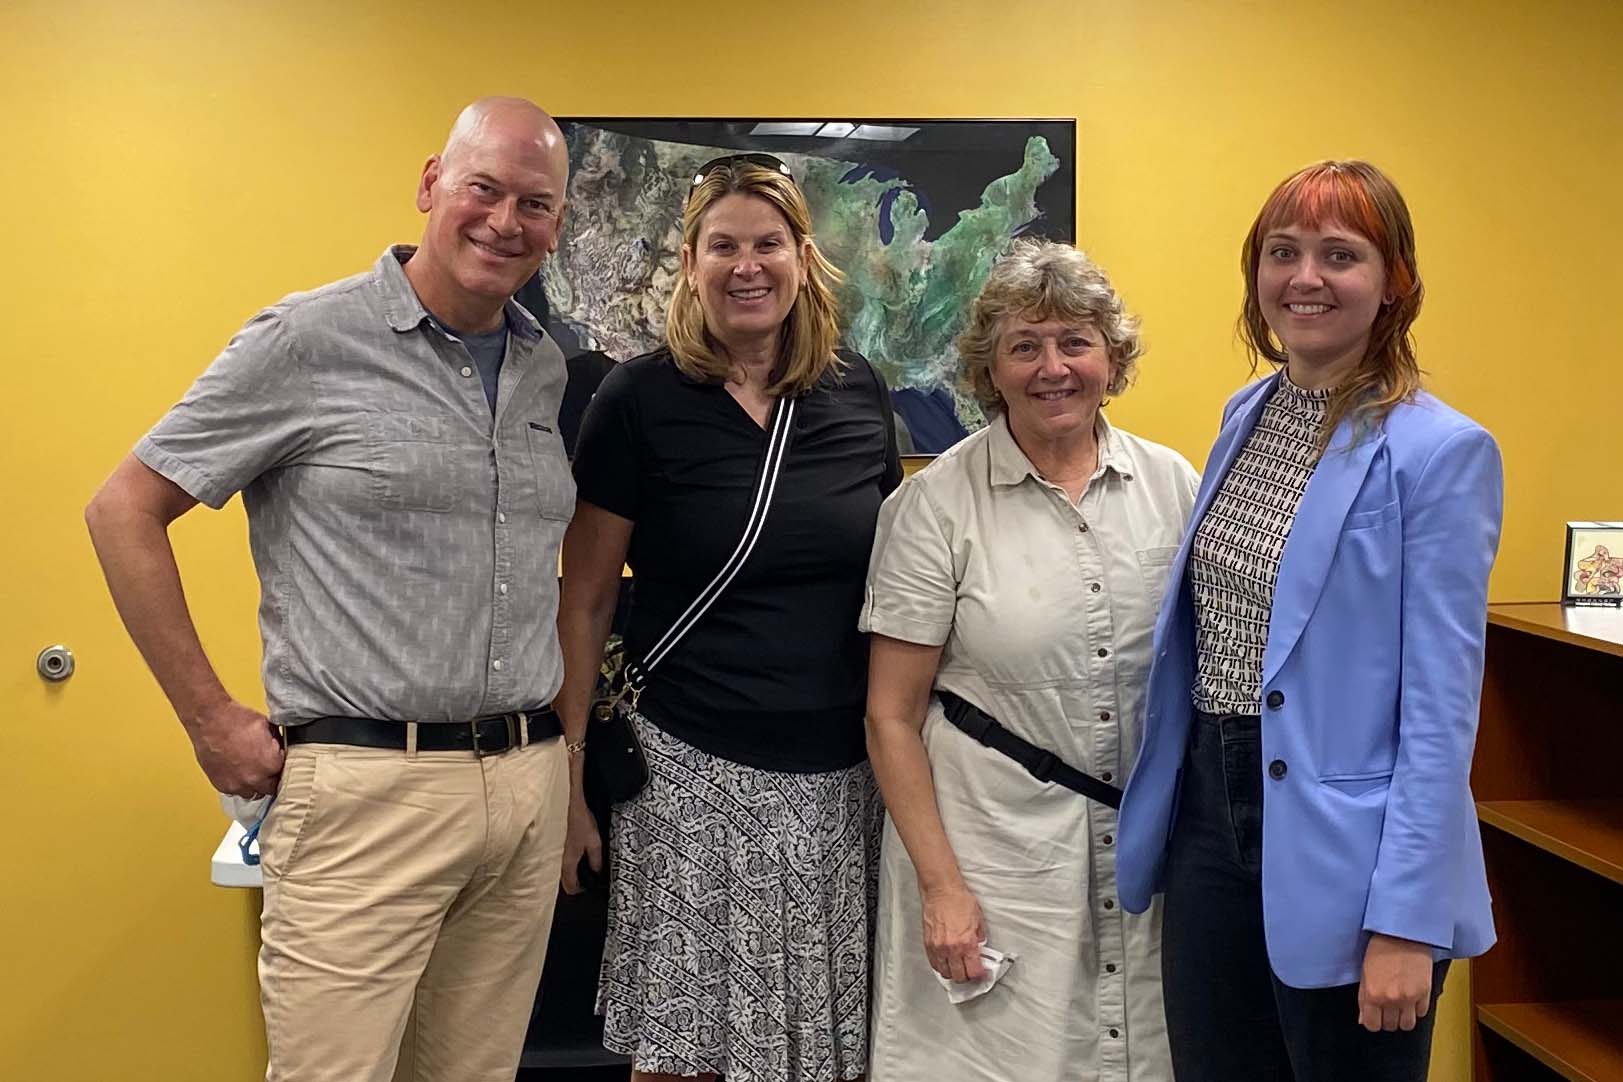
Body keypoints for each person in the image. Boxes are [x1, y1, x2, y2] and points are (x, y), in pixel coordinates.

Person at [84, 97, 576, 1082]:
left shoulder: (543, 365)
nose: (504, 221)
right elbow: (122, 510)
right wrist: (209, 717)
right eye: (484, 188)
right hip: (364, 790)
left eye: (536, 202)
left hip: (526, 783)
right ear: (433, 182)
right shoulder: (307, 341)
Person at [1115, 160, 1504, 1082]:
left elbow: (1441, 713)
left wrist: (1405, 920)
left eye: (1341, 255)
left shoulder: (1440, 452)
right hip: (1211, 818)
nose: (1306, 278)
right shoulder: (1245, 413)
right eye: (1282, 253)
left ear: (1392, 283)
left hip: (1353, 850)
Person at [554, 152, 901, 1082]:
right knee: (684, 1045)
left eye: (767, 244)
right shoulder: (636, 400)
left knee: (826, 1045)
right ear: (691, 262)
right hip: (686, 769)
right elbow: (583, 595)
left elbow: (899, 579)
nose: (746, 265)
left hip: (839, 773)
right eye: (723, 246)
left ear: (802, 257)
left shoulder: (856, 393)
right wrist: (571, 779)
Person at [859, 239, 1197, 1082]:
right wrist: (942, 889)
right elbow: (890, 716)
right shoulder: (934, 504)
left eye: (1075, 343)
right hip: (991, 856)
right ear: (990, 369)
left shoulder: (1173, 486)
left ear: (1111, 358)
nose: (1054, 368)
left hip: (1144, 852)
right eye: (1025, 346)